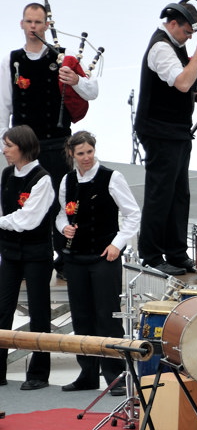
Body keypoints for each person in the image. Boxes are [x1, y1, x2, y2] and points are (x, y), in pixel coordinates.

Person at [1, 2, 99, 273]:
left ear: (47, 25)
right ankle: (25, 257)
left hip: (58, 143)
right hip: (25, 148)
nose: (33, 27)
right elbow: (4, 107)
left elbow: (92, 91)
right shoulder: (11, 61)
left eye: (38, 22)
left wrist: (76, 81)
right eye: (29, 22)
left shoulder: (62, 60)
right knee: (23, 202)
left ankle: (65, 257)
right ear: (22, 24)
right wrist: (4, 144)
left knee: (62, 200)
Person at [135, 0, 197, 276]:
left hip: (176, 130)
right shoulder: (161, 47)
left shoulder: (177, 45)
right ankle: (150, 254)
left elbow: (185, 86)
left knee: (178, 193)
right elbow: (181, 80)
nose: (190, 36)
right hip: (159, 130)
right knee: (161, 193)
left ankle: (175, 251)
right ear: (173, 23)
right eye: (186, 31)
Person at [56, 131, 140, 395]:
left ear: (94, 150)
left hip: (104, 256)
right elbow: (61, 214)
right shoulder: (67, 180)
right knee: (82, 317)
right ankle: (88, 374)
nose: (86, 158)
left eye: (89, 152)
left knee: (107, 317)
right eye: (80, 154)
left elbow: (132, 214)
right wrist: (64, 229)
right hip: (76, 258)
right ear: (72, 154)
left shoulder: (111, 177)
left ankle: (114, 374)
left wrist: (117, 244)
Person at [0, 125, 54, 390]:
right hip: (10, 252)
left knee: (39, 311)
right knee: (2, 310)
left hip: (36, 253)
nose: (4, 150)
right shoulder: (7, 174)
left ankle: (39, 373)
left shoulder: (42, 179)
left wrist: (1, 222)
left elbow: (29, 220)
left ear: (23, 147)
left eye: (9, 145)